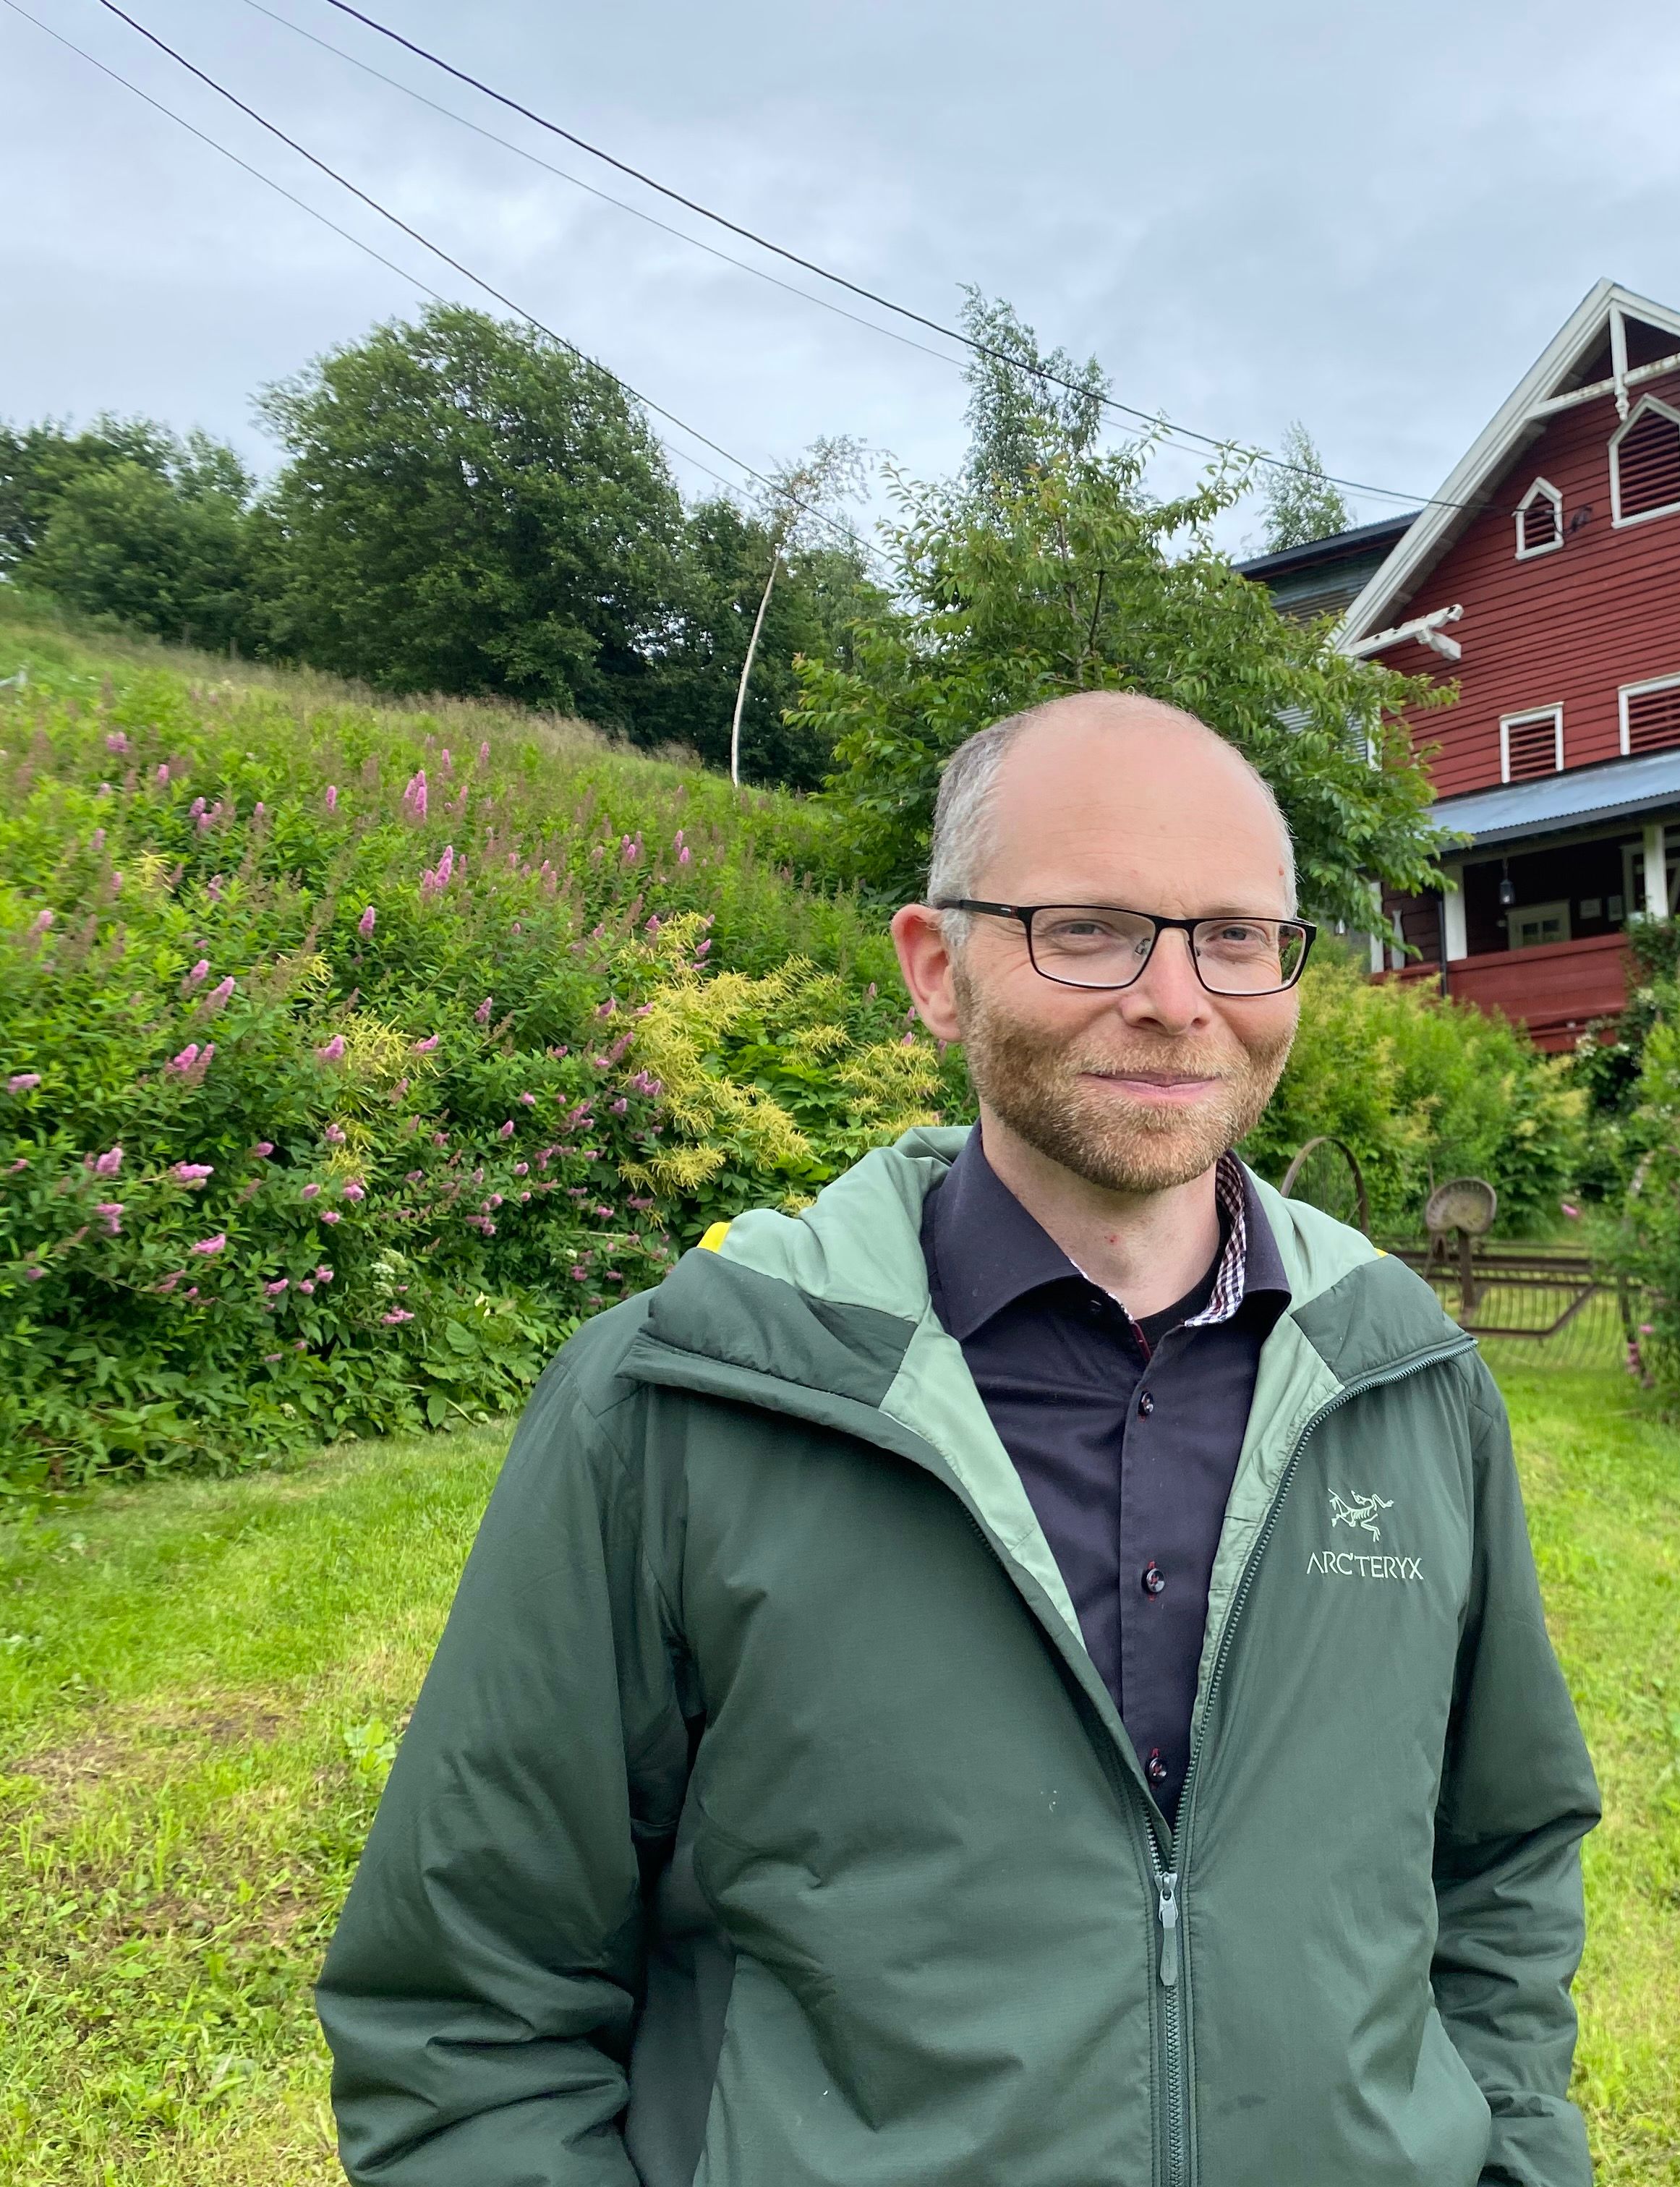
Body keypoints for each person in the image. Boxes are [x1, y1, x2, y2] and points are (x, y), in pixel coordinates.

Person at [316, 691, 1600, 2187]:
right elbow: (471, 2014)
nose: (1177, 998)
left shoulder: (1409, 1383)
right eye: (1089, 929)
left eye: (1236, 936)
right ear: (937, 970)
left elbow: (1501, 1864)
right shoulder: (679, 1407)